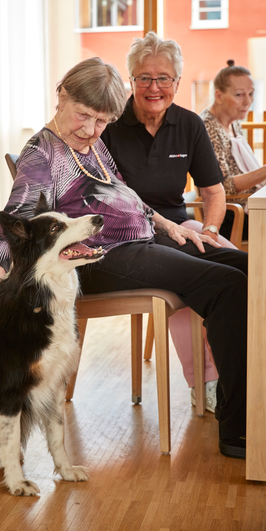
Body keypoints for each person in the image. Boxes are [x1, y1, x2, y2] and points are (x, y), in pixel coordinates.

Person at [0, 57, 266, 462]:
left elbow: (123, 193)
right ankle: (243, 431)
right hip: (102, 258)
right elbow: (9, 230)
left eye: (101, 122)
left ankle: (246, 408)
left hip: (143, 241)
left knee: (247, 267)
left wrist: (172, 227)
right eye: (84, 116)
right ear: (61, 95)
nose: (91, 130)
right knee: (229, 286)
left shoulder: (92, 143)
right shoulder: (42, 156)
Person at [101, 32, 229, 411]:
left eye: (163, 78)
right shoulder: (108, 127)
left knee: (231, 261)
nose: (153, 87)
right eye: (144, 78)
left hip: (179, 226)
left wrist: (209, 230)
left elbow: (214, 192)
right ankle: (206, 382)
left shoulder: (189, 125)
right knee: (189, 275)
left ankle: (239, 372)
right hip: (128, 236)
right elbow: (110, 201)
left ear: (176, 82)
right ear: (131, 81)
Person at [200, 60, 266, 240]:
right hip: (230, 214)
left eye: (251, 94)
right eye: (239, 95)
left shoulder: (234, 123)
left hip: (249, 207)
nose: (248, 101)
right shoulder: (206, 126)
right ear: (218, 96)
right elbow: (223, 186)